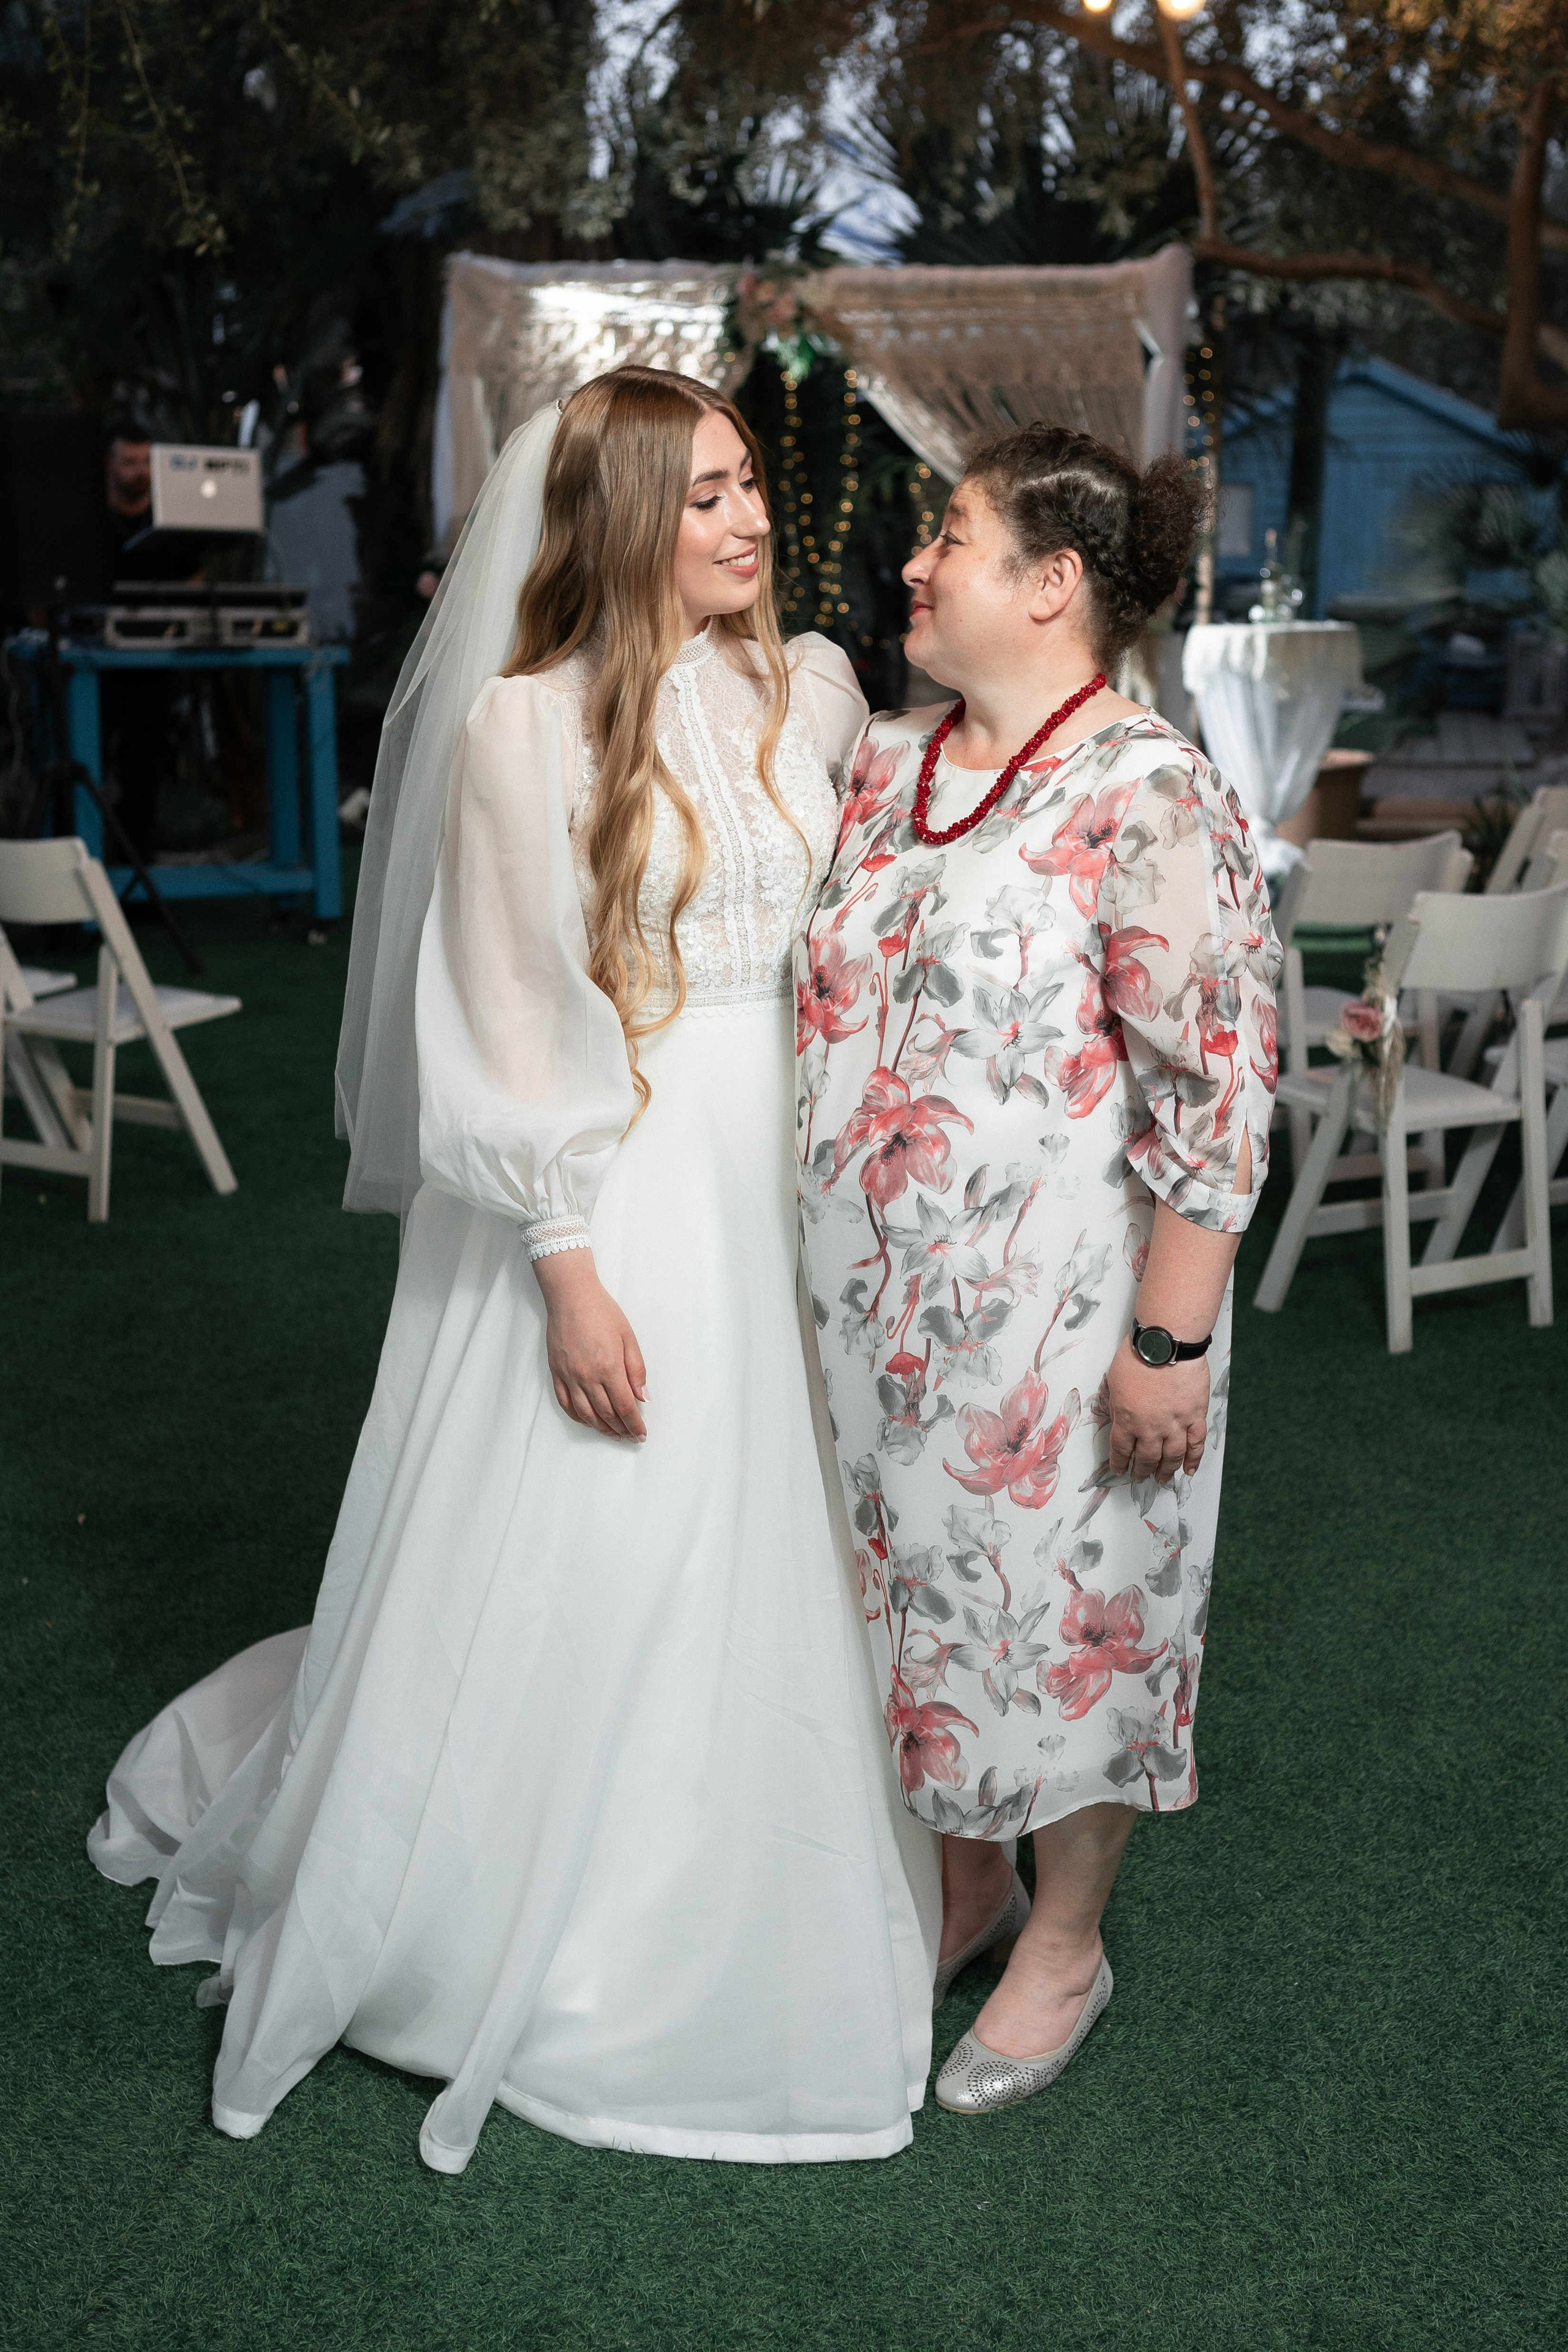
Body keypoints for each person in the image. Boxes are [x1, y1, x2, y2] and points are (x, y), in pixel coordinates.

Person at [88, 368, 940, 2173]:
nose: (751, 519)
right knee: (617, 1530)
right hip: (629, 1185)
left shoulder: (812, 689)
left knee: (775, 1540)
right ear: (622, 519)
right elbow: (495, 1015)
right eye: (706, 495)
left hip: (792, 1181)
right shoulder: (519, 731)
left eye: (749, 483)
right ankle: (528, 1918)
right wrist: (566, 1265)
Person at [795, 424, 1280, 2116]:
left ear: (1053, 582)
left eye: (951, 535)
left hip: (1068, 1333)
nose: (914, 563)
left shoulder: (1151, 791)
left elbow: (1218, 1088)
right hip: (878, 1328)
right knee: (921, 1616)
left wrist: (1170, 1344)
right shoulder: (886, 763)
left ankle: (1064, 1940)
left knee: (1074, 1626)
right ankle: (971, 1884)